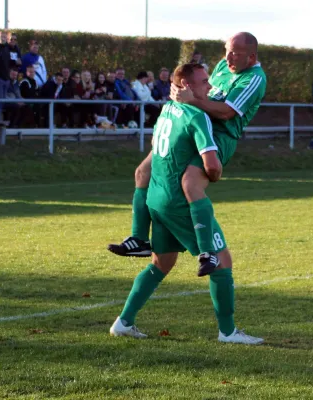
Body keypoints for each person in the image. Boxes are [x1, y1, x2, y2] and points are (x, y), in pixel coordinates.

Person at [109, 63, 263, 345]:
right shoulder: (197, 115)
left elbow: (149, 161)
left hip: (156, 197)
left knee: (162, 262)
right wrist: (215, 174)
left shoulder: (166, 110)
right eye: (205, 82)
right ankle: (228, 332)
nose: (211, 87)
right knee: (222, 260)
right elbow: (212, 167)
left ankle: (124, 322)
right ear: (188, 87)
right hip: (181, 203)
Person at [107, 32, 267, 277]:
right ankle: (139, 239)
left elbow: (225, 112)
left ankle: (207, 252)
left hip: (220, 136)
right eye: (227, 50)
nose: (228, 57)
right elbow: (206, 90)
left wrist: (191, 100)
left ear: (252, 56)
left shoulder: (254, 78)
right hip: (194, 123)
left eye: (236, 53)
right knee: (142, 172)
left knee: (190, 183)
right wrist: (181, 89)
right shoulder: (225, 65)